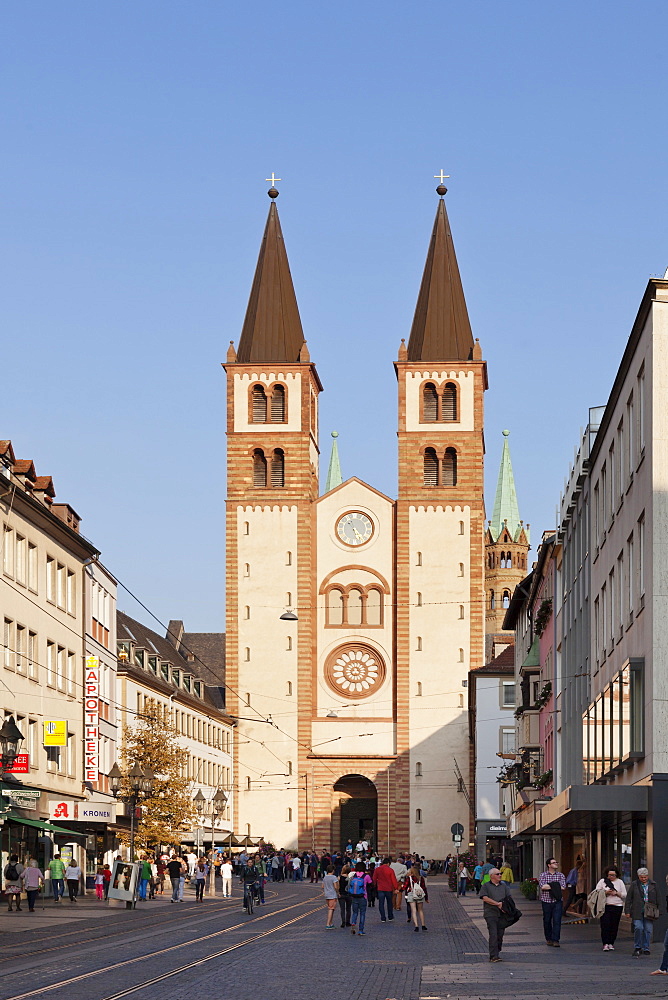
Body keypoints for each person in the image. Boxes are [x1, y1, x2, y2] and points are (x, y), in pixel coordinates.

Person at [625, 867, 661, 957]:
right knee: (638, 928)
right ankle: (637, 947)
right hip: (637, 910)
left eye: (645, 877)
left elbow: (658, 898)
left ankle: (646, 947)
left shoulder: (654, 884)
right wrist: (627, 911)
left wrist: (659, 910)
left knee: (648, 929)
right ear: (638, 876)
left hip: (650, 910)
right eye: (642, 877)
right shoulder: (634, 885)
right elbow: (629, 898)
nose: (644, 879)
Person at [480, 867, 510, 962]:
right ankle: (493, 956)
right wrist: (497, 904)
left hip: (502, 914)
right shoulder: (486, 886)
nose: (500, 875)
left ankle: (497, 951)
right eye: (497, 874)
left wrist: (506, 907)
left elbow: (508, 898)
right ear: (491, 876)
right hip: (490, 913)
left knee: (500, 934)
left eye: (500, 873)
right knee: (493, 934)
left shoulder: (504, 886)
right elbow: (484, 898)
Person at [594, 866, 626, 951]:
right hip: (605, 906)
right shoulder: (602, 881)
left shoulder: (620, 882)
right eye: (609, 875)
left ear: (617, 875)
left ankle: (611, 943)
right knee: (605, 925)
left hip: (617, 906)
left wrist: (616, 893)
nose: (611, 877)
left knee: (614, 925)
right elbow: (596, 892)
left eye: (613, 875)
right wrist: (605, 892)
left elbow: (624, 894)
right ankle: (605, 943)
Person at [538, 858, 566, 947]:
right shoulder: (543, 875)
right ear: (549, 865)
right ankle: (548, 938)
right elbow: (543, 887)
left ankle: (556, 939)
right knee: (547, 920)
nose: (556, 864)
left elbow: (563, 887)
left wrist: (550, 885)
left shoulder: (561, 875)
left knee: (557, 920)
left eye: (556, 862)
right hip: (546, 901)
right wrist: (556, 885)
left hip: (557, 901)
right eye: (554, 863)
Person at [348, 863, 372, 936]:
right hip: (363, 896)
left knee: (355, 912)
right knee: (362, 913)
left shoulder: (353, 876)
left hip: (354, 896)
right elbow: (371, 883)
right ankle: (361, 930)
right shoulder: (366, 876)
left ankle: (353, 923)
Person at [403, 865, 429, 931]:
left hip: (411, 894)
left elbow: (405, 887)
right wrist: (426, 898)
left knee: (413, 910)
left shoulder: (409, 878)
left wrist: (399, 890)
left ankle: (416, 926)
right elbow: (424, 888)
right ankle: (423, 925)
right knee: (420, 910)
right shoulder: (421, 878)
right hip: (419, 894)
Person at [372, 857, 398, 922]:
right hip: (388, 888)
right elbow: (393, 880)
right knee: (389, 903)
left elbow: (374, 879)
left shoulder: (377, 869)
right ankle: (390, 916)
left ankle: (383, 917)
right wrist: (396, 888)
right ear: (388, 863)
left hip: (380, 888)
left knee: (381, 903)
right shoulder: (390, 870)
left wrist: (374, 885)